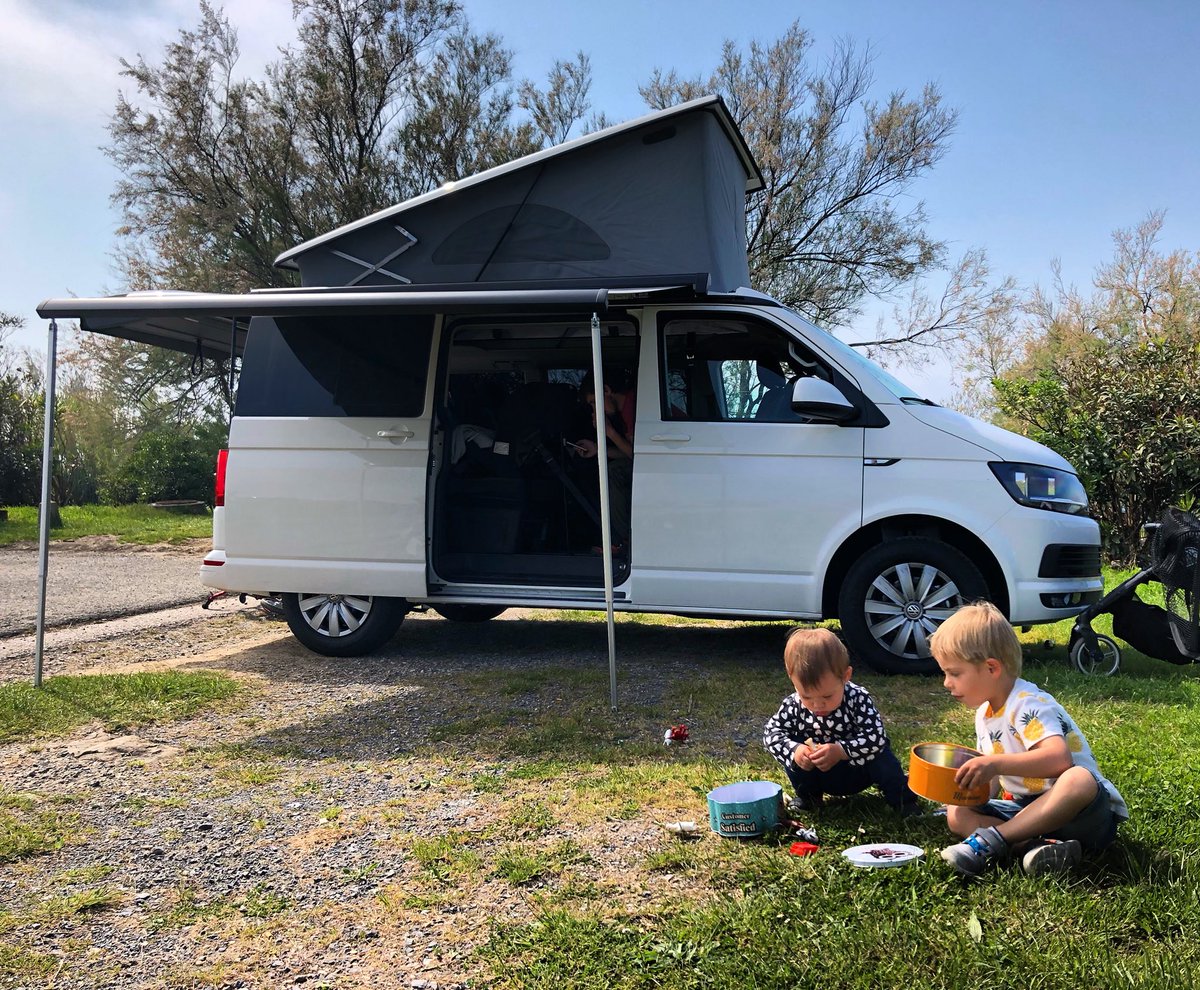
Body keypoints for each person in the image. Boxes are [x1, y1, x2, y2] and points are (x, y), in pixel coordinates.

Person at [929, 601, 1129, 877]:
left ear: (991, 668)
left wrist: (995, 764)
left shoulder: (1028, 703)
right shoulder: (984, 714)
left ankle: (994, 840)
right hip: (1028, 811)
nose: (946, 683)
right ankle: (1035, 847)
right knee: (957, 814)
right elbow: (991, 787)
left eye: (954, 673)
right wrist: (966, 790)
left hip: (1080, 813)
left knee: (1078, 778)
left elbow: (1058, 760)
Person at [763, 628, 919, 815]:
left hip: (858, 769)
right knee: (794, 749)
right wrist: (795, 751)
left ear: (846, 676)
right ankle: (809, 797)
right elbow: (771, 733)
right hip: (818, 773)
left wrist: (841, 750)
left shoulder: (857, 698)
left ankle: (902, 800)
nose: (817, 705)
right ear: (792, 678)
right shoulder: (793, 705)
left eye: (827, 696)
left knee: (881, 752)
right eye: (807, 696)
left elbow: (876, 737)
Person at [575, 366, 635, 552]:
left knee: (615, 471)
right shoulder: (626, 408)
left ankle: (623, 540)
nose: (594, 408)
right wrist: (598, 449)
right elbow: (629, 453)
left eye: (594, 402)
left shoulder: (633, 406)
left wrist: (608, 432)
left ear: (606, 391)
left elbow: (637, 455)